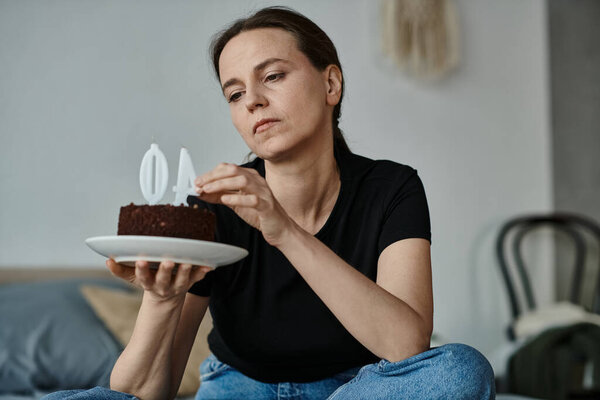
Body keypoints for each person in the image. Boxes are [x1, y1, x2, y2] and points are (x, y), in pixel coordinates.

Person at [43, 6, 495, 400]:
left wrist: (284, 231)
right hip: (237, 388)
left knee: (460, 369)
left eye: (273, 76)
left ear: (330, 83)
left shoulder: (391, 188)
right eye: (235, 94)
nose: (254, 101)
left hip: (357, 389)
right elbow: (142, 395)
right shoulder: (213, 208)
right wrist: (162, 300)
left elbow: (406, 346)